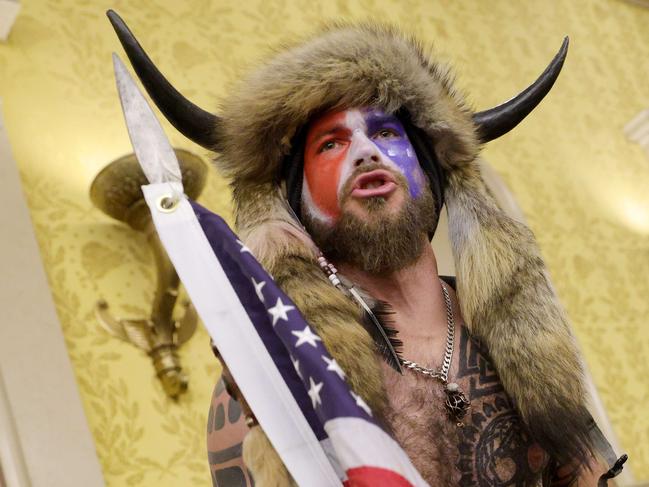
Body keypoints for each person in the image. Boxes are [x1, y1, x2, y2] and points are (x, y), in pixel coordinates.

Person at [108, 12, 626, 486]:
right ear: (295, 200)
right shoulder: (273, 373)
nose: (366, 151)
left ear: (431, 170)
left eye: (384, 131)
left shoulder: (522, 340)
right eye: (330, 143)